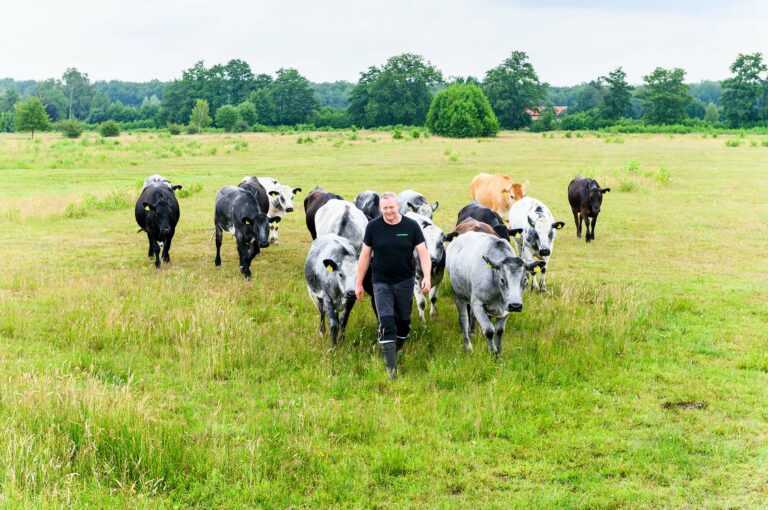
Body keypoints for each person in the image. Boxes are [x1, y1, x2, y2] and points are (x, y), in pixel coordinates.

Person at [355, 192, 431, 379]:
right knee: (386, 322)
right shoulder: (373, 227)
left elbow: (423, 253)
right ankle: (391, 368)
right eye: (384, 208)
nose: (388, 211)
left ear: (398, 206)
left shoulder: (411, 226)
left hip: (405, 282)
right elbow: (365, 256)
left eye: (391, 207)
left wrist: (427, 276)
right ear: (381, 209)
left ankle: (396, 346)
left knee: (403, 322)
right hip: (381, 282)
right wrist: (358, 283)